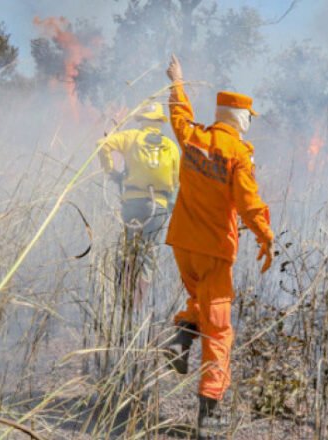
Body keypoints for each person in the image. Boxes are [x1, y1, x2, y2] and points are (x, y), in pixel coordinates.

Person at [164, 54, 274, 438]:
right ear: (240, 117)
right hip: (214, 252)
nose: (248, 123)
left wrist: (177, 82)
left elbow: (178, 115)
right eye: (249, 117)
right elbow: (248, 203)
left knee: (201, 305)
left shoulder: (194, 136)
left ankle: (179, 340)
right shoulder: (238, 155)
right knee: (219, 332)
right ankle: (210, 420)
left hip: (182, 244)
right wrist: (265, 236)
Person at [98, 103, 180, 296]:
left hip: (132, 202)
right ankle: (138, 303)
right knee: (147, 254)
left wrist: (111, 171)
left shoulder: (132, 136)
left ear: (141, 120)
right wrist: (169, 206)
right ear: (160, 122)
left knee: (127, 248)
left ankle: (121, 297)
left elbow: (102, 145)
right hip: (158, 206)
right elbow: (177, 181)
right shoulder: (171, 146)